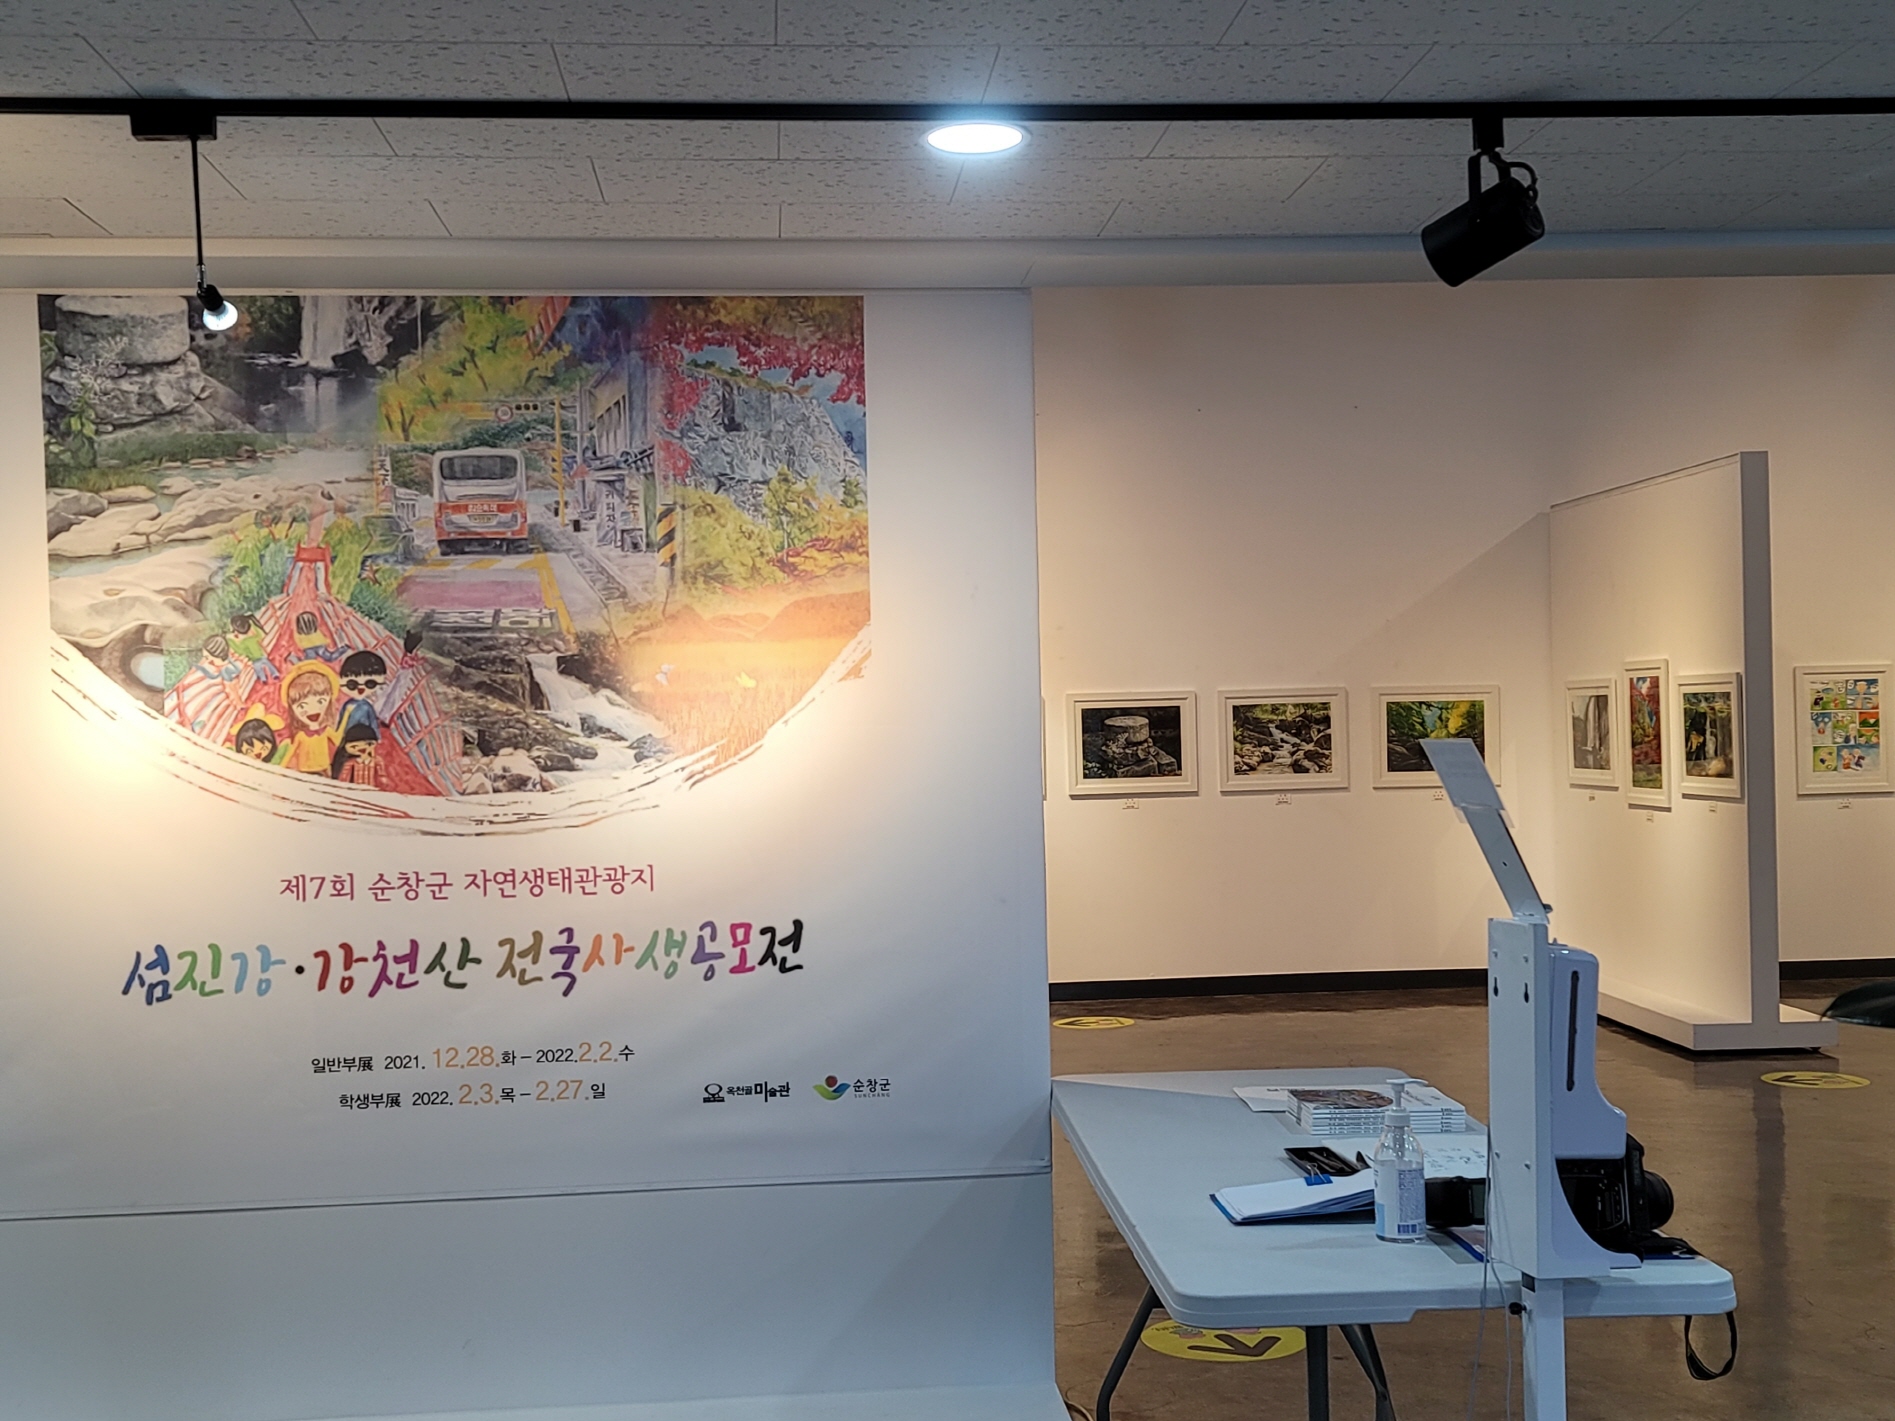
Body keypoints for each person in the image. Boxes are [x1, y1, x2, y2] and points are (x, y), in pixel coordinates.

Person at [275, 661, 343, 775]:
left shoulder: (326, 731)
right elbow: (290, 754)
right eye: (302, 706)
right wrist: (279, 771)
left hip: (324, 770)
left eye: (320, 701)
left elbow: (338, 740)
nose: (312, 709)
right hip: (305, 772)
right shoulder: (300, 736)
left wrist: (346, 716)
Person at [227, 613, 279, 681]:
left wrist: (230, 641)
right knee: (269, 665)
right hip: (261, 656)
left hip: (254, 660)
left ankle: (263, 679)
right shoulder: (253, 638)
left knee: (258, 670)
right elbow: (260, 635)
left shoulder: (243, 643)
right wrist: (253, 625)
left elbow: (239, 651)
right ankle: (275, 674)